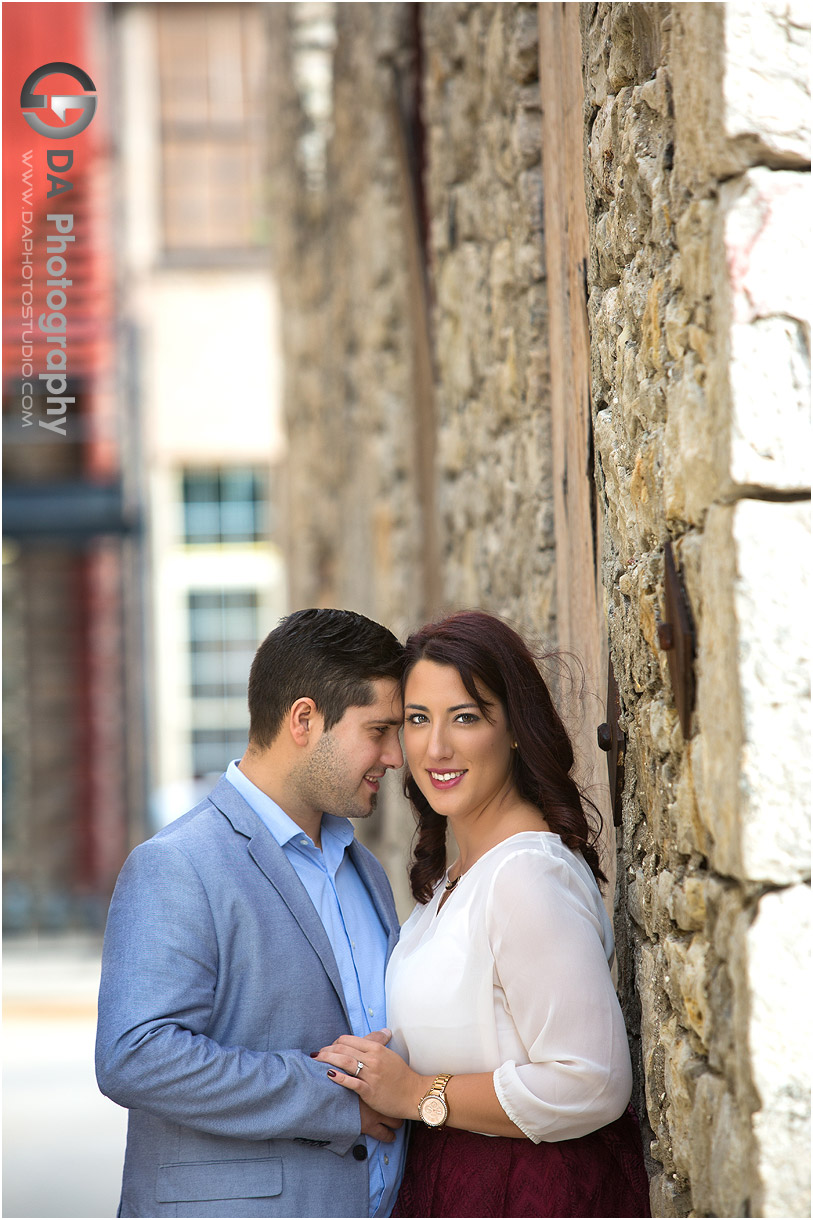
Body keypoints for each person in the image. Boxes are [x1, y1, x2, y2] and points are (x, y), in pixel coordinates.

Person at [314, 610, 651, 1218]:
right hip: (453, 1180)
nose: (436, 747)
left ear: (515, 728)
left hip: (527, 1188)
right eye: (418, 719)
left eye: (465, 717)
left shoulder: (525, 875)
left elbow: (592, 1080)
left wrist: (418, 1094)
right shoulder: (456, 881)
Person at [96, 608, 409, 1219]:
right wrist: (333, 1096)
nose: (395, 756)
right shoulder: (177, 864)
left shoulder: (364, 870)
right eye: (378, 730)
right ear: (303, 719)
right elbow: (133, 1054)